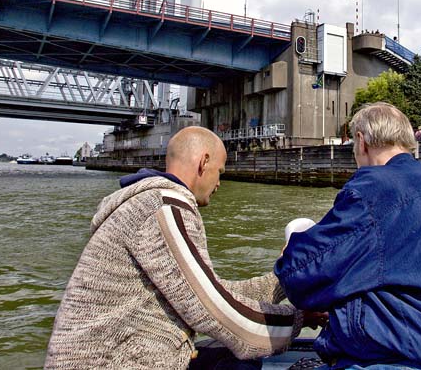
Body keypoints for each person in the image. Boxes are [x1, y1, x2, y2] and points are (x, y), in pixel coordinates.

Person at [46, 126, 318, 369]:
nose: (219, 183)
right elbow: (214, 310)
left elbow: (211, 293)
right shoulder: (165, 208)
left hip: (125, 356)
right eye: (220, 172)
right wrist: (299, 319)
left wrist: (282, 278)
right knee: (240, 363)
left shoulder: (151, 203)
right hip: (110, 363)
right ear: (204, 162)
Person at [275, 103, 421, 370]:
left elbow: (301, 275)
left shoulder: (372, 187)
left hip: (406, 358)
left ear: (361, 141)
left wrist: (292, 247)